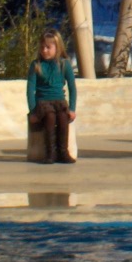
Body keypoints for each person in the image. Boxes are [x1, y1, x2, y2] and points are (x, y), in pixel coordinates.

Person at [26, 29, 78, 165]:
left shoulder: (64, 64)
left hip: (59, 102)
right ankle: (50, 153)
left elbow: (72, 88)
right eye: (42, 47)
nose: (44, 50)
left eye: (48, 47)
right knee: (49, 117)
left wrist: (72, 108)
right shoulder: (36, 65)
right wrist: (32, 110)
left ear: (57, 47)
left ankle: (63, 152)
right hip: (43, 103)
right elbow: (30, 89)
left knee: (62, 118)